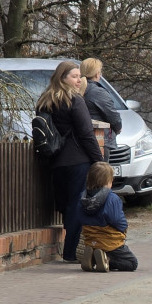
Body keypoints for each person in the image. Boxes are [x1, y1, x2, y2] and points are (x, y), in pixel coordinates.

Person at [37, 60, 104, 262]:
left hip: (55, 161)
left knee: (66, 206)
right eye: (74, 76)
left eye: (79, 76)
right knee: (76, 206)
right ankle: (70, 252)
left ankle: (69, 248)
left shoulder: (45, 101)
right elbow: (86, 134)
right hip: (77, 161)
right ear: (62, 78)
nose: (79, 80)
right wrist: (99, 161)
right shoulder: (75, 100)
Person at [78, 161, 139, 272]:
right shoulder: (112, 198)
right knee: (132, 263)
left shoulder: (83, 197)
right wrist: (124, 227)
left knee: (98, 244)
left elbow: (79, 216)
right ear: (108, 181)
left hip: (90, 239)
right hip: (109, 241)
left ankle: (94, 257)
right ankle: (106, 259)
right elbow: (116, 219)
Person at [80, 58, 123, 153]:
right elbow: (112, 115)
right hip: (99, 141)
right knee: (101, 168)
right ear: (97, 74)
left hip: (80, 141)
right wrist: (118, 127)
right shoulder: (97, 92)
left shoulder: (75, 88)